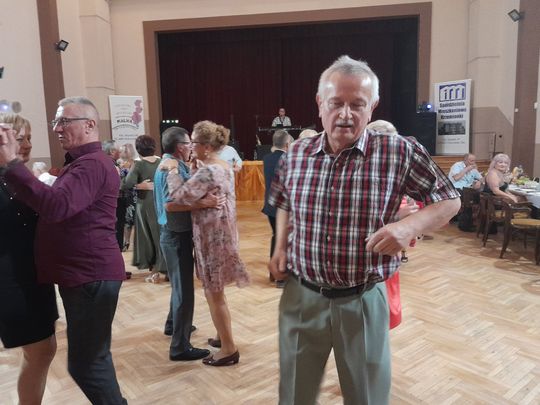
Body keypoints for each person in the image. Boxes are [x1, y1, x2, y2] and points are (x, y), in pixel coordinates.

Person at [268, 55, 461, 404]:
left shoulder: (398, 151)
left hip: (362, 297)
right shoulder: (296, 153)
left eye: (357, 104)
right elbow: (283, 200)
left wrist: (408, 227)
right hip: (301, 296)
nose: (345, 114)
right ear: (320, 104)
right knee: (295, 394)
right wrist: (280, 245)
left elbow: (450, 200)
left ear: (372, 107)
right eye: (336, 103)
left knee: (367, 396)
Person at [0, 97, 128, 404]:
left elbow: (57, 207)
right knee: (89, 360)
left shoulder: (91, 164)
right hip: (67, 276)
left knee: (88, 365)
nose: (57, 128)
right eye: (55, 122)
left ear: (89, 125)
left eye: (64, 121)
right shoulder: (79, 164)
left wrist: (13, 165)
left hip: (87, 275)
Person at [166, 120, 250, 366]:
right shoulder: (221, 165)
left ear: (206, 146)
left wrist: (172, 171)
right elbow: (201, 188)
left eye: (193, 142)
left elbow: (178, 196)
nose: (190, 146)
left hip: (212, 238)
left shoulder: (208, 171)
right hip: (222, 234)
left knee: (214, 294)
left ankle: (229, 349)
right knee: (216, 292)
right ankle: (222, 336)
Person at [0, 114, 58, 405]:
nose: (26, 145)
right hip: (11, 280)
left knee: (42, 350)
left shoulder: (20, 178)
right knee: (40, 350)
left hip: (33, 275)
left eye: (29, 138)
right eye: (19, 139)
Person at [154, 126, 223, 361]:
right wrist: (202, 204)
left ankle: (172, 325)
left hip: (174, 234)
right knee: (184, 291)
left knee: (179, 286)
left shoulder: (175, 164)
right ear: (180, 147)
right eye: (188, 143)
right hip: (175, 236)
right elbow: (170, 204)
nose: (191, 147)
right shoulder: (169, 167)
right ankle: (180, 347)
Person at [121, 135, 165, 282]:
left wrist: (137, 185)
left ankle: (155, 270)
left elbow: (126, 184)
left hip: (145, 204)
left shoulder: (138, 164)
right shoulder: (161, 161)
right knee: (161, 235)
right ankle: (166, 269)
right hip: (161, 203)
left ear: (138, 149)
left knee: (149, 237)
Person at [262, 129, 293, 287]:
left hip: (269, 206)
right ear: (287, 144)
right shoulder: (288, 159)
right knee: (283, 239)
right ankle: (281, 277)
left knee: (276, 236)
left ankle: (273, 274)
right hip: (282, 207)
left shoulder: (267, 158)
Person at [448, 153, 484, 231]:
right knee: (469, 198)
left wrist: (479, 182)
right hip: (455, 188)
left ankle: (481, 222)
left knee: (481, 196)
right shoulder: (457, 166)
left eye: (474, 161)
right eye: (471, 161)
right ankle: (465, 225)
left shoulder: (473, 168)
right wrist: (466, 169)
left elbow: (481, 178)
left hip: (468, 189)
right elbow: (456, 178)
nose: (473, 163)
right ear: (465, 160)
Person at [118, 143, 137, 251]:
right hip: (122, 195)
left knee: (132, 219)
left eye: (125, 151)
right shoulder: (119, 163)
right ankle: (126, 241)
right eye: (122, 150)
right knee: (125, 220)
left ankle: (131, 242)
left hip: (134, 195)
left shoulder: (135, 163)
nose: (123, 153)